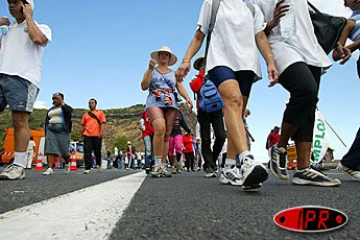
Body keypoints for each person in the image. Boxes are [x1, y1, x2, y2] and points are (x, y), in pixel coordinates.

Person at [176, 1, 278, 189]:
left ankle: (229, 167)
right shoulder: (213, 4)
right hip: (220, 60)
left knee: (237, 113)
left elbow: (260, 36)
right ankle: (246, 161)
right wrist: (186, 60)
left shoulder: (251, 7)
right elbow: (199, 35)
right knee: (233, 99)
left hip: (247, 63)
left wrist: (270, 61)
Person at [252, 0, 348, 186]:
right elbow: (258, 31)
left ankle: (303, 169)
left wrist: (336, 44)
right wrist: (271, 25)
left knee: (310, 102)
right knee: (305, 89)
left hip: (310, 47)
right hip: (281, 45)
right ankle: (280, 148)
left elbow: (310, 19)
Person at [0, 0, 52, 180]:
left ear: (27, 5)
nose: (11, 5)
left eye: (15, 2)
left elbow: (38, 39)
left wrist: (28, 16)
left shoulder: (41, 27)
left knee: (19, 119)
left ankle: (18, 165)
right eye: (9, 2)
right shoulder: (7, 29)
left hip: (23, 77)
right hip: (1, 74)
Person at [141, 46, 193, 177]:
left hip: (171, 101)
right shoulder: (151, 71)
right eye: (162, 54)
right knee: (159, 128)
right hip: (154, 99)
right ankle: (157, 164)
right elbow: (144, 86)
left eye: (166, 54)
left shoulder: (173, 73)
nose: (164, 56)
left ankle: (163, 165)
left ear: (169, 58)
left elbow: (179, 85)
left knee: (166, 135)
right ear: (158, 57)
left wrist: (187, 98)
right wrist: (149, 69)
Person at [331, 0, 360, 181]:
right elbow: (336, 53)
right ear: (345, 3)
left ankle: (351, 161)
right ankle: (349, 162)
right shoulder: (350, 22)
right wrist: (351, 47)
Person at [189, 55, 226, 178]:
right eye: (202, 63)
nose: (205, 65)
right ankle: (209, 165)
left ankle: (212, 161)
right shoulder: (196, 78)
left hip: (217, 109)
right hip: (203, 110)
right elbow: (195, 87)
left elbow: (224, 90)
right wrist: (201, 73)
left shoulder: (216, 76)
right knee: (206, 139)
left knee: (221, 136)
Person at [43, 93, 73, 175]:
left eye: (57, 98)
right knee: (50, 149)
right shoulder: (51, 109)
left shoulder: (64, 108)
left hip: (63, 131)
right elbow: (47, 120)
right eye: (53, 98)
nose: (55, 100)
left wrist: (62, 103)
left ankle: (67, 163)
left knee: (64, 151)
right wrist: (46, 130)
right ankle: (49, 168)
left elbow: (70, 110)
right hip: (51, 130)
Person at [79, 98, 106, 174]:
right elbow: (83, 126)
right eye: (89, 103)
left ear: (95, 104)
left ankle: (98, 164)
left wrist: (101, 132)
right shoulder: (85, 115)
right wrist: (80, 137)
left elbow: (103, 123)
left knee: (97, 151)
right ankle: (88, 168)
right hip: (87, 135)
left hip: (96, 135)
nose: (90, 104)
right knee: (87, 151)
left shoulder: (100, 113)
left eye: (92, 103)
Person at [168, 110, 192, 174]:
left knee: (179, 147)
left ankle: (178, 163)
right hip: (169, 133)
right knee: (170, 149)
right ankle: (172, 166)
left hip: (178, 132)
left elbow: (183, 122)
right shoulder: (167, 111)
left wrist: (188, 130)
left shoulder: (179, 112)